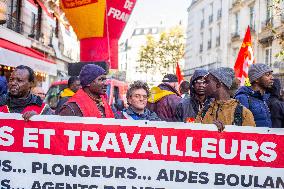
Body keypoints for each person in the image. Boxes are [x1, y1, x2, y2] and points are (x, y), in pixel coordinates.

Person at [195, 67, 256, 131]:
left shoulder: (244, 113)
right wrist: (211, 130)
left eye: (207, 82)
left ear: (218, 84)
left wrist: (225, 132)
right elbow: (195, 136)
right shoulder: (203, 111)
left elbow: (250, 139)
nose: (203, 85)